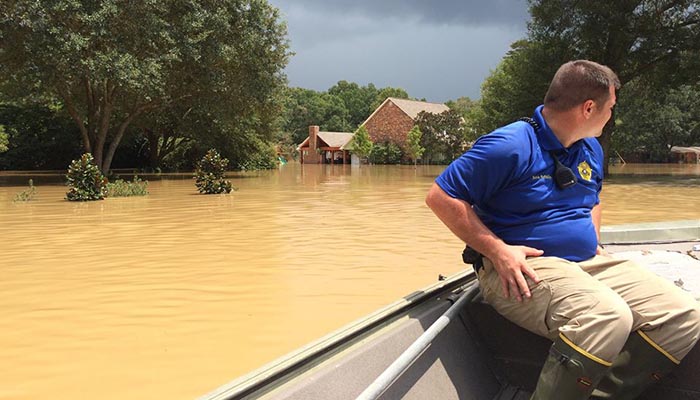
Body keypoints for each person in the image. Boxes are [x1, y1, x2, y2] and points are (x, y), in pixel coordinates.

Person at [425, 60, 700, 399]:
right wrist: (497, 250)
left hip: (585, 263)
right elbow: (440, 196)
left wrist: (592, 239)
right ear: (589, 108)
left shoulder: (590, 147)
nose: (611, 116)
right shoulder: (509, 145)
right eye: (610, 108)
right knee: (607, 315)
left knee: (683, 315)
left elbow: (593, 198)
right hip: (520, 268)